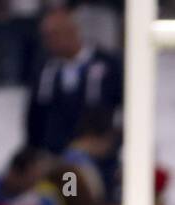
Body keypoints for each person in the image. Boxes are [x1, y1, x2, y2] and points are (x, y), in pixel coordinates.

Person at [25, 5, 122, 155]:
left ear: (73, 31)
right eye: (46, 36)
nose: (49, 41)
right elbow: (35, 117)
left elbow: (125, 108)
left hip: (99, 158)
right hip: (56, 160)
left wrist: (110, 140)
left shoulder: (107, 64)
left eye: (55, 34)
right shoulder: (45, 69)